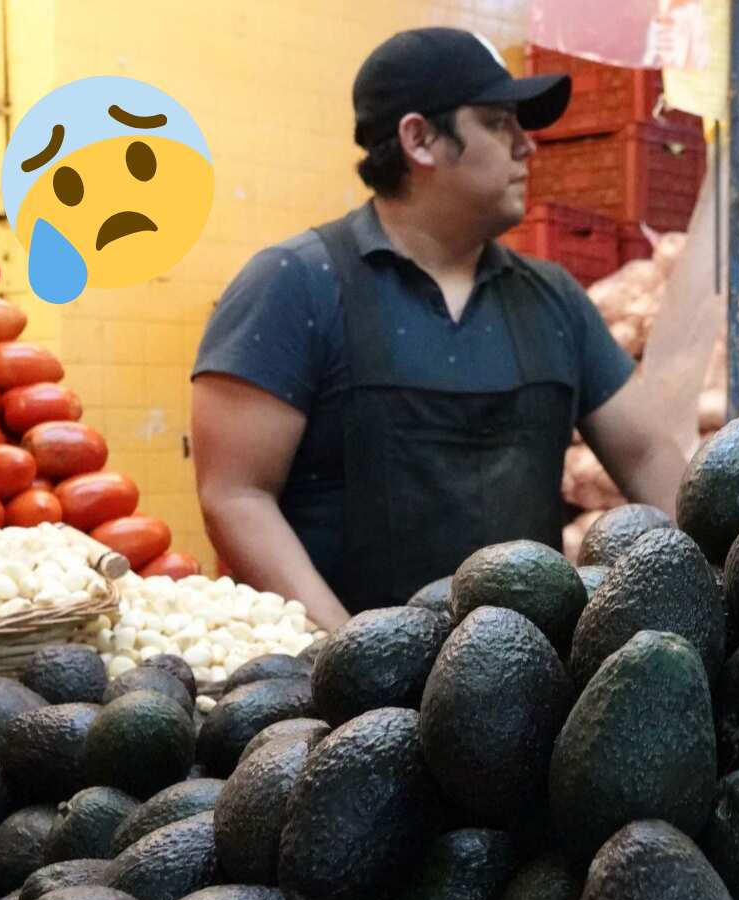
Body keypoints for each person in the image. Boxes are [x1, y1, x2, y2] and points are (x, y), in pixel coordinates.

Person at [191, 27, 685, 630]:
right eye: (498, 123)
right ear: (419, 139)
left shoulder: (554, 299)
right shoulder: (294, 285)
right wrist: (347, 651)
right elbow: (235, 496)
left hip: (520, 672)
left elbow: (648, 453)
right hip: (339, 679)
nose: (527, 146)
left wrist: (717, 586)